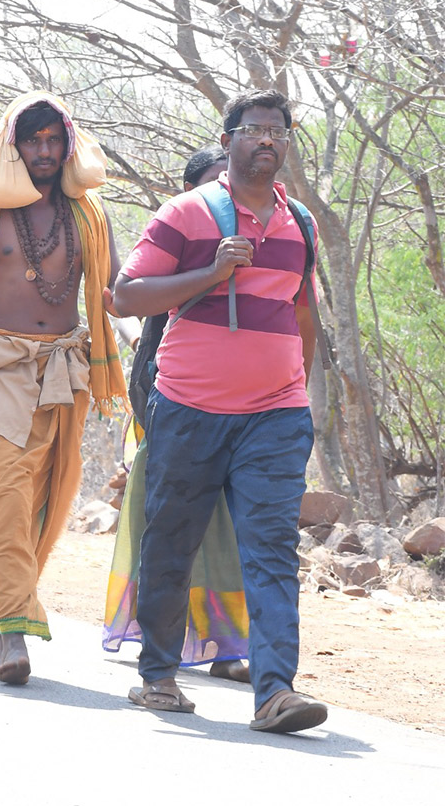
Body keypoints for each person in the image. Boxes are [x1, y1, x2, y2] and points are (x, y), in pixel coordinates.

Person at [114, 89, 327, 733]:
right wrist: (210, 272)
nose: (268, 140)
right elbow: (125, 297)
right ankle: (157, 677)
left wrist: (294, 389)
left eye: (279, 131)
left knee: (271, 548)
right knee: (171, 539)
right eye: (255, 129)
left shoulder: (302, 224)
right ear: (229, 137)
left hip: (275, 415)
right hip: (188, 407)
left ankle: (275, 693)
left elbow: (304, 314)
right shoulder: (184, 213)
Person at [0, 91, 125, 685]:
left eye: (53, 140)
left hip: (65, 368)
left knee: (47, 500)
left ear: (67, 146)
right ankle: (14, 629)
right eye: (32, 140)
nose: (44, 151)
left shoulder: (89, 213)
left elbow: (116, 290)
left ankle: (4, 616)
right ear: (13, 146)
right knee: (8, 494)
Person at [102, 144, 252, 684]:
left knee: (230, 531)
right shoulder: (173, 241)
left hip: (241, 410)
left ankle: (227, 644)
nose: (225, 196)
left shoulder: (256, 239)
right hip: (171, 404)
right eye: (214, 185)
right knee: (169, 525)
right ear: (191, 192)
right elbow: (124, 305)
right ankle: (159, 642)